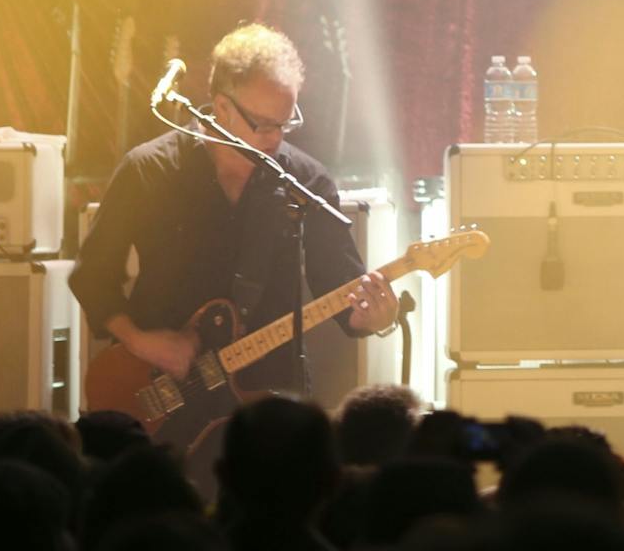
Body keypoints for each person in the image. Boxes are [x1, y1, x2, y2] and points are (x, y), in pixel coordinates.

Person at [72, 22, 394, 395]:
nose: (276, 138)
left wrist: (370, 316)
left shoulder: (305, 182)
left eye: (285, 123)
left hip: (268, 396)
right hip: (163, 390)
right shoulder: (149, 169)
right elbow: (92, 275)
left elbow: (339, 284)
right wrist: (142, 341)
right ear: (222, 108)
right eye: (264, 125)